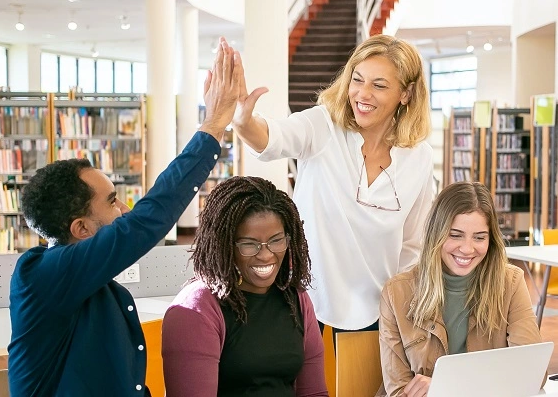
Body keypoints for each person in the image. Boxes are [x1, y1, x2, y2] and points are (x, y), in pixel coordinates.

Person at [7, 38, 241, 396]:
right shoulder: (39, 275)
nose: (125, 210)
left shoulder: (97, 286)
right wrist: (213, 126)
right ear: (81, 228)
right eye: (113, 201)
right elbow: (147, 220)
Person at [230, 34, 434, 333]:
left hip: (379, 312)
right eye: (357, 79)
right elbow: (274, 138)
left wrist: (403, 311)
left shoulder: (419, 157)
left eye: (379, 85)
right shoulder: (323, 126)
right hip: (305, 303)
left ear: (406, 93)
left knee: (363, 382)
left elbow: (413, 245)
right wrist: (244, 123)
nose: (362, 94)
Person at [162, 176, 328, 396]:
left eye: (276, 240)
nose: (266, 255)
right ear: (224, 245)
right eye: (250, 244)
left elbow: (314, 393)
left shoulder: (295, 297)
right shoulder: (196, 310)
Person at [379, 181, 543, 397]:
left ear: (491, 239)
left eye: (479, 237)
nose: (467, 249)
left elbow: (533, 374)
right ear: (436, 234)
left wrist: (444, 387)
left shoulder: (510, 283)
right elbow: (398, 390)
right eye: (455, 235)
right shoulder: (396, 292)